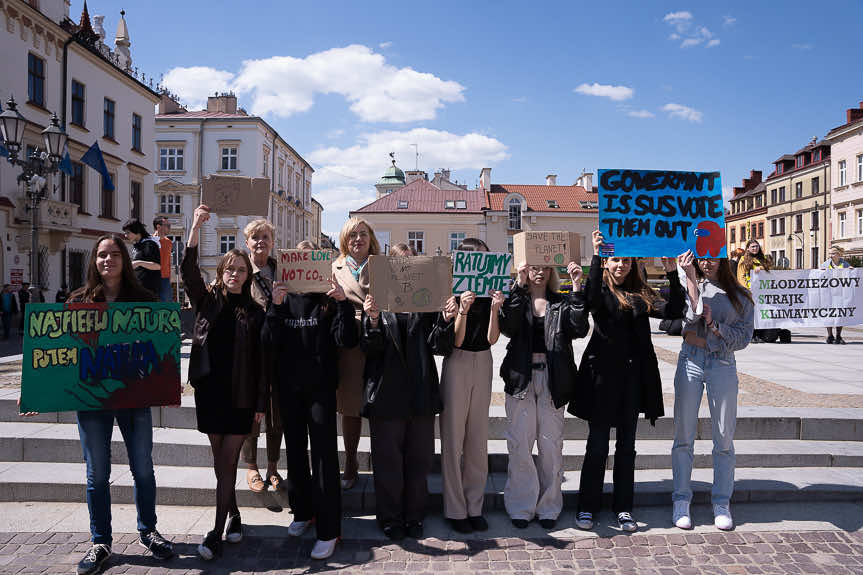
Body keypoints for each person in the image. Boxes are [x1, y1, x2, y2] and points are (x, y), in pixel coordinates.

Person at [22, 235, 174, 575]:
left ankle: (148, 531)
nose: (108, 260)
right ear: (94, 260)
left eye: (115, 254)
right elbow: (60, 354)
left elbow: (160, 347)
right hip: (92, 400)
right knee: (97, 474)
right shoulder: (78, 301)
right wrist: (37, 390)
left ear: (124, 260)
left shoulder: (143, 300)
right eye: (102, 254)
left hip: (134, 399)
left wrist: (166, 383)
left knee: (143, 469)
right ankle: (100, 541)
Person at [571, 230, 686, 533]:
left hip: (632, 382)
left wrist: (672, 272)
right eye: (615, 260)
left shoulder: (641, 294)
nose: (620, 265)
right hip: (601, 381)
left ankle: (623, 507)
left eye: (626, 260)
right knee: (596, 447)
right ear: (607, 264)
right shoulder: (600, 292)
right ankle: (587, 506)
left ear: (634, 263)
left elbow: (674, 311)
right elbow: (592, 298)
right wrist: (596, 256)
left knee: (626, 448)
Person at [263, 239, 358, 560]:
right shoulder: (283, 296)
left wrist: (344, 303)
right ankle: (302, 512)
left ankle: (329, 529)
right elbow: (267, 342)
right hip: (289, 387)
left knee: (324, 456)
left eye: (309, 259)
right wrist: (274, 308)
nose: (304, 266)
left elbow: (346, 340)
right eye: (299, 259)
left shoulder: (327, 299)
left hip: (319, 388)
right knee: (296, 454)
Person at [182, 204, 267, 561]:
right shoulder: (208, 301)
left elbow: (264, 363)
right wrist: (196, 227)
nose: (235, 273)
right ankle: (234, 516)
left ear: (248, 275)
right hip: (211, 392)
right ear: (221, 271)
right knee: (220, 464)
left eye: (241, 269)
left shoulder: (256, 311)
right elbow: (187, 270)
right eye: (230, 268)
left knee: (229, 464)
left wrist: (262, 404)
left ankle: (215, 532)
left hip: (242, 397)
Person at [361, 242, 456, 540]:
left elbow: (439, 346)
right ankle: (390, 518)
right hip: (386, 395)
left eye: (409, 263)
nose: (404, 269)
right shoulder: (375, 302)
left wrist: (444, 319)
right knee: (388, 464)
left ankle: (415, 517)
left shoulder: (426, 303)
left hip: (420, 395)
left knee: (419, 462)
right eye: (398, 264)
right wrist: (372, 319)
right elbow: (369, 347)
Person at [499, 256, 588, 530]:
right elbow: (507, 327)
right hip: (521, 377)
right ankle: (521, 506)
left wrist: (576, 289)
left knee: (551, 446)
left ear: (551, 270)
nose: (539, 272)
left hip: (553, 378)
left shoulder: (560, 301)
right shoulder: (519, 298)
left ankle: (548, 506)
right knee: (520, 445)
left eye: (544, 267)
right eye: (534, 266)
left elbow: (579, 328)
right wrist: (518, 285)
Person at [671, 255, 754, 531]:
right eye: (701, 259)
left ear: (723, 260)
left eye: (712, 259)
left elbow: (744, 337)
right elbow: (689, 317)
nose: (706, 263)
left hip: (723, 363)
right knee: (683, 435)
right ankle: (681, 499)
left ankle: (721, 500)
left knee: (724, 436)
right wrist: (690, 278)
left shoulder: (740, 295)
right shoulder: (689, 284)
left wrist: (716, 327)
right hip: (691, 360)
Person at [440, 238, 505, 533]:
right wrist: (463, 310)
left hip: (484, 360)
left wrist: (494, 309)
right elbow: (455, 340)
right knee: (453, 438)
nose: (477, 261)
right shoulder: (452, 294)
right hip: (458, 361)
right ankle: (455, 509)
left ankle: (474, 505)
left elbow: (493, 339)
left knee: (478, 440)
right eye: (471, 257)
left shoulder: (491, 293)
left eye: (482, 256)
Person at [331, 217, 382, 490]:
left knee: (380, 404)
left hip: (379, 336)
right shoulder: (334, 267)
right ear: (344, 240)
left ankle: (382, 463)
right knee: (350, 408)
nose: (358, 240)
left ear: (371, 238)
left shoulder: (383, 266)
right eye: (352, 235)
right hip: (349, 343)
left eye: (363, 234)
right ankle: (350, 461)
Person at [240, 219, 284, 493]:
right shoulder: (240, 270)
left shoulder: (283, 269)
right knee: (251, 413)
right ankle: (252, 466)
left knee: (276, 414)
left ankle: (273, 467)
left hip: (279, 351)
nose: (260, 242)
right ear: (247, 243)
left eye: (265, 237)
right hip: (250, 353)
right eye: (255, 237)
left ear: (272, 241)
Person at [736, 239, 775, 343]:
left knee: (760, 314)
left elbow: (769, 268)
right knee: (751, 315)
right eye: (752, 247)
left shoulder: (762, 259)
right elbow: (741, 276)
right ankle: (751, 335)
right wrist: (746, 290)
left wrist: (761, 268)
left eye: (756, 246)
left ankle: (760, 334)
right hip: (750, 291)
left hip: (761, 291)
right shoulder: (744, 259)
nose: (755, 248)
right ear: (748, 248)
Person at [821, 246, 853, 344]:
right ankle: (830, 335)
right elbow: (819, 276)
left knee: (840, 315)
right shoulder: (826, 264)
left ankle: (838, 336)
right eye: (829, 253)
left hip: (840, 294)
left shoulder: (844, 264)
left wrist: (852, 270)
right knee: (828, 313)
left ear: (838, 254)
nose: (831, 256)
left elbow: (852, 275)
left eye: (833, 253)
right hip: (828, 293)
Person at [122, 219, 161, 298]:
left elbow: (157, 266)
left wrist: (139, 262)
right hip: (137, 288)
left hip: (148, 289)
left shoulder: (149, 244)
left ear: (137, 231)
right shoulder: (136, 246)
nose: (125, 235)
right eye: (125, 233)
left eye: (128, 232)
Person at [152, 217, 174, 302]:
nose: (169, 227)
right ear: (158, 227)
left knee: (166, 307)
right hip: (153, 278)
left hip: (165, 279)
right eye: (167, 225)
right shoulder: (150, 241)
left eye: (169, 225)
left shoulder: (169, 242)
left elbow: (167, 262)